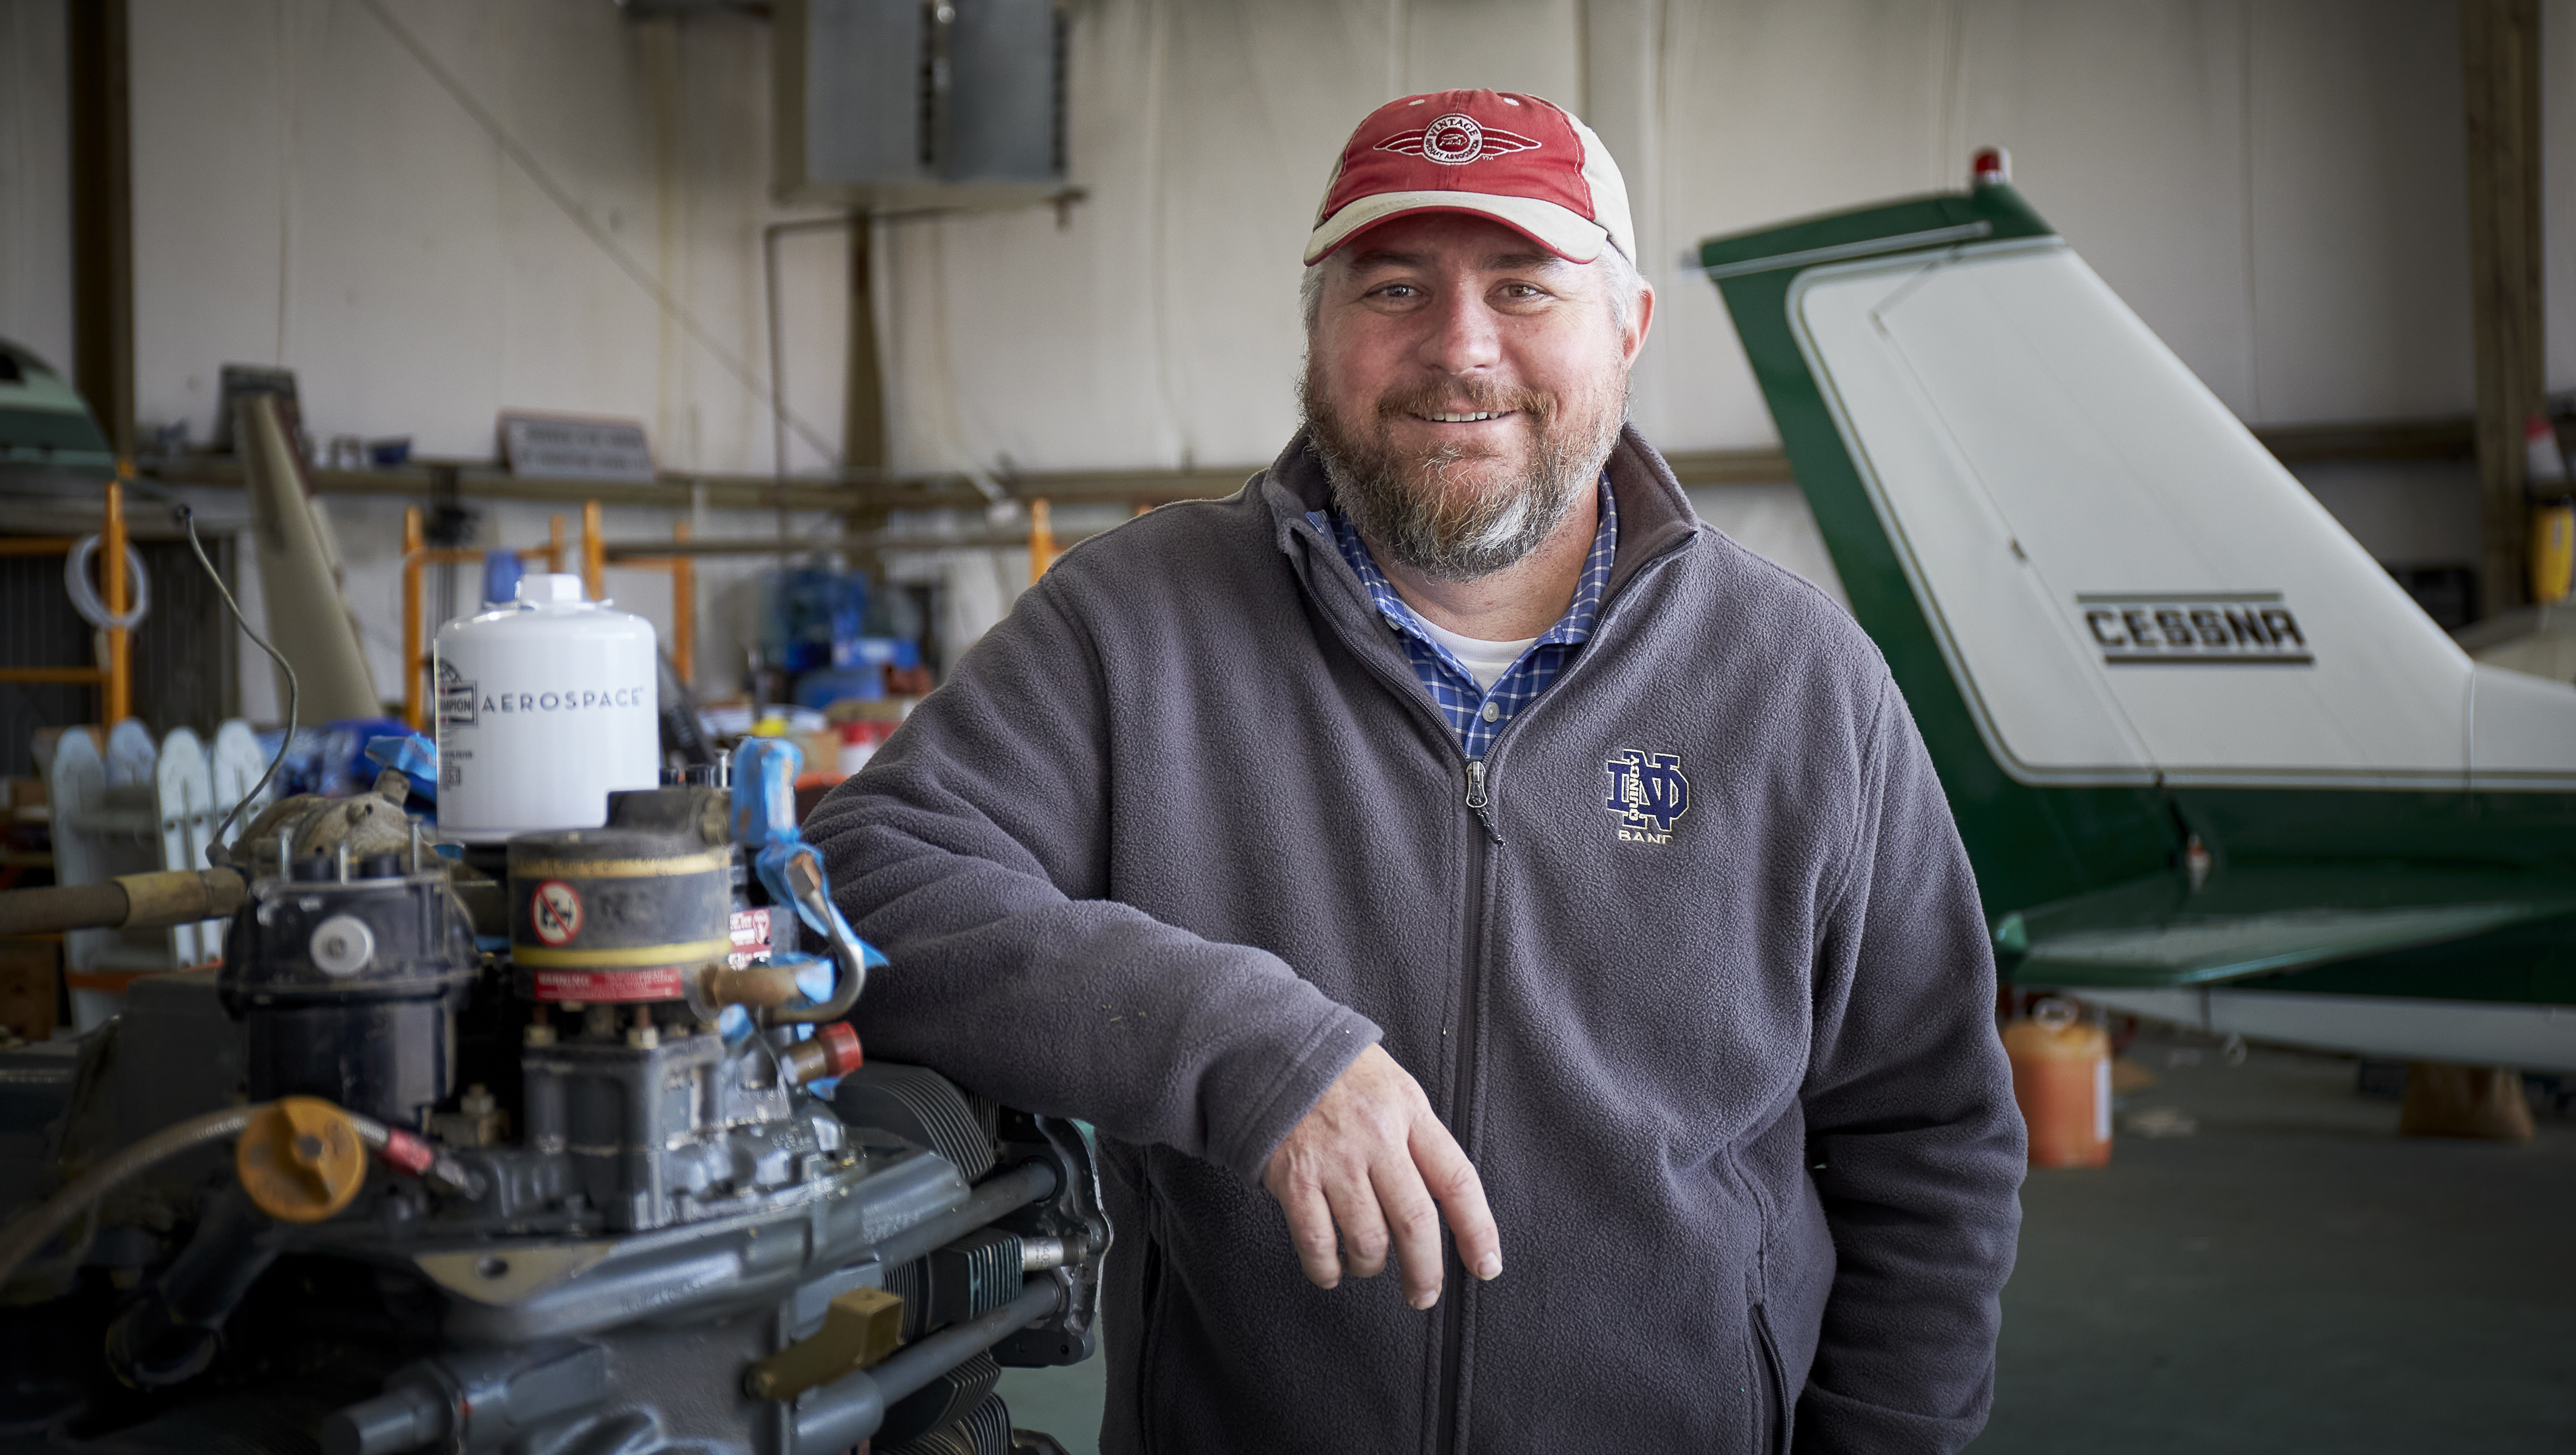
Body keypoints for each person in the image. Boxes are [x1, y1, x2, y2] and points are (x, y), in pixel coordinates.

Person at [807, 88, 2025, 1454]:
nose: (1459, 349)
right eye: (1393, 287)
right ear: (1318, 333)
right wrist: (1253, 1052)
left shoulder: (1804, 684)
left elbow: (1930, 1144)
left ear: (1627, 329)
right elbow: (859, 881)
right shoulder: (1133, 628)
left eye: (1523, 288)